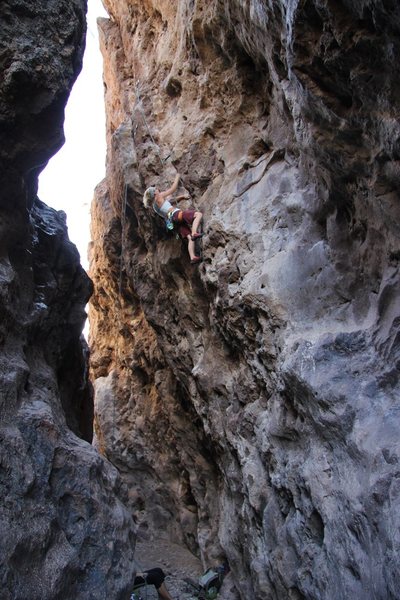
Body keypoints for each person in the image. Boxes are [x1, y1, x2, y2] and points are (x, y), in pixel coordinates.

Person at [143, 174, 203, 264]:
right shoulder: (159, 196)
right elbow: (172, 189)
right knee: (198, 215)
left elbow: (170, 202)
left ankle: (193, 257)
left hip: (173, 222)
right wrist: (177, 177)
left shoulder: (155, 207)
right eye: (155, 189)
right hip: (176, 214)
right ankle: (195, 232)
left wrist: (181, 197)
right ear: (154, 193)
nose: (157, 189)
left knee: (189, 237)